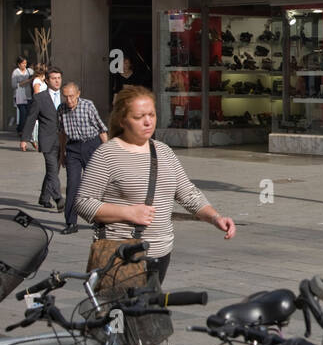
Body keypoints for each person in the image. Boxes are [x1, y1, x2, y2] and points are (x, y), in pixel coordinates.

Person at [76, 85, 235, 283]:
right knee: (121, 312)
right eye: (139, 117)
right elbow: (83, 202)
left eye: (151, 114)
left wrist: (215, 217)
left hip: (160, 253)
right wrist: (129, 212)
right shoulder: (107, 154)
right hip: (122, 252)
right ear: (122, 120)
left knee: (149, 312)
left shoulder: (164, 151)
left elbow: (187, 192)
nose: (148, 121)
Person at [56, 81, 108, 234]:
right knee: (72, 185)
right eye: (65, 97)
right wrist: (62, 153)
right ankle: (71, 223)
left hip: (91, 145)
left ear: (78, 94)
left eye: (71, 96)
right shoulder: (61, 109)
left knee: (96, 185)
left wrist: (108, 152)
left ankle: (100, 221)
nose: (69, 100)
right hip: (73, 148)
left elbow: (101, 129)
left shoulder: (88, 106)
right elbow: (62, 133)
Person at [20, 65, 64, 209]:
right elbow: (31, 118)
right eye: (54, 79)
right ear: (47, 80)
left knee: (54, 170)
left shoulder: (66, 96)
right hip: (47, 139)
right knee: (52, 170)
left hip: (63, 140)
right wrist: (25, 139)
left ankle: (44, 197)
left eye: (59, 78)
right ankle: (58, 199)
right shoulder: (40, 97)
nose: (57, 81)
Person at [11, 56, 33, 137]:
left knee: (28, 114)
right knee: (23, 113)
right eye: (23, 63)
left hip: (28, 95)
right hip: (19, 95)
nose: (24, 65)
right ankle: (20, 130)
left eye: (25, 63)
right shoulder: (16, 72)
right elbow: (13, 85)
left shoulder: (30, 71)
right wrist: (25, 81)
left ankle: (26, 130)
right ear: (19, 64)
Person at [30, 62, 47, 144]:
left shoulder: (41, 80)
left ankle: (37, 139)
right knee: (38, 122)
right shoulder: (37, 80)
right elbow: (37, 93)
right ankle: (34, 138)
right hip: (39, 103)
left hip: (43, 102)